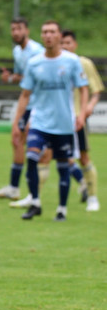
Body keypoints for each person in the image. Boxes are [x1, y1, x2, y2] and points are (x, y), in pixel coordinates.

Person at [12, 21, 88, 221]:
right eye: (44, 32)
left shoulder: (71, 61)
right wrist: (18, 121)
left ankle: (62, 209)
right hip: (40, 122)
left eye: (52, 32)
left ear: (59, 36)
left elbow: (83, 87)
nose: (47, 35)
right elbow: (26, 94)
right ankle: (35, 202)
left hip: (63, 124)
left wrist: (81, 115)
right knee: (32, 157)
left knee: (63, 166)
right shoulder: (34, 63)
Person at [0, 17, 45, 201]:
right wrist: (10, 78)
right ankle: (15, 188)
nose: (15, 32)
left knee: (37, 146)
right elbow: (23, 77)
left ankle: (32, 191)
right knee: (17, 141)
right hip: (28, 102)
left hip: (40, 104)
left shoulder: (37, 51)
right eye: (13, 29)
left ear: (27, 31)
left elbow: (42, 76)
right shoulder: (17, 51)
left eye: (19, 29)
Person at [61, 29, 101, 212]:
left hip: (77, 116)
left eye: (68, 43)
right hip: (58, 118)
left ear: (75, 44)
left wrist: (89, 106)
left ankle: (93, 198)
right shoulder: (55, 64)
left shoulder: (83, 63)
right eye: (62, 43)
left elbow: (96, 89)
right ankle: (83, 182)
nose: (65, 46)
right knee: (60, 156)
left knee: (83, 157)